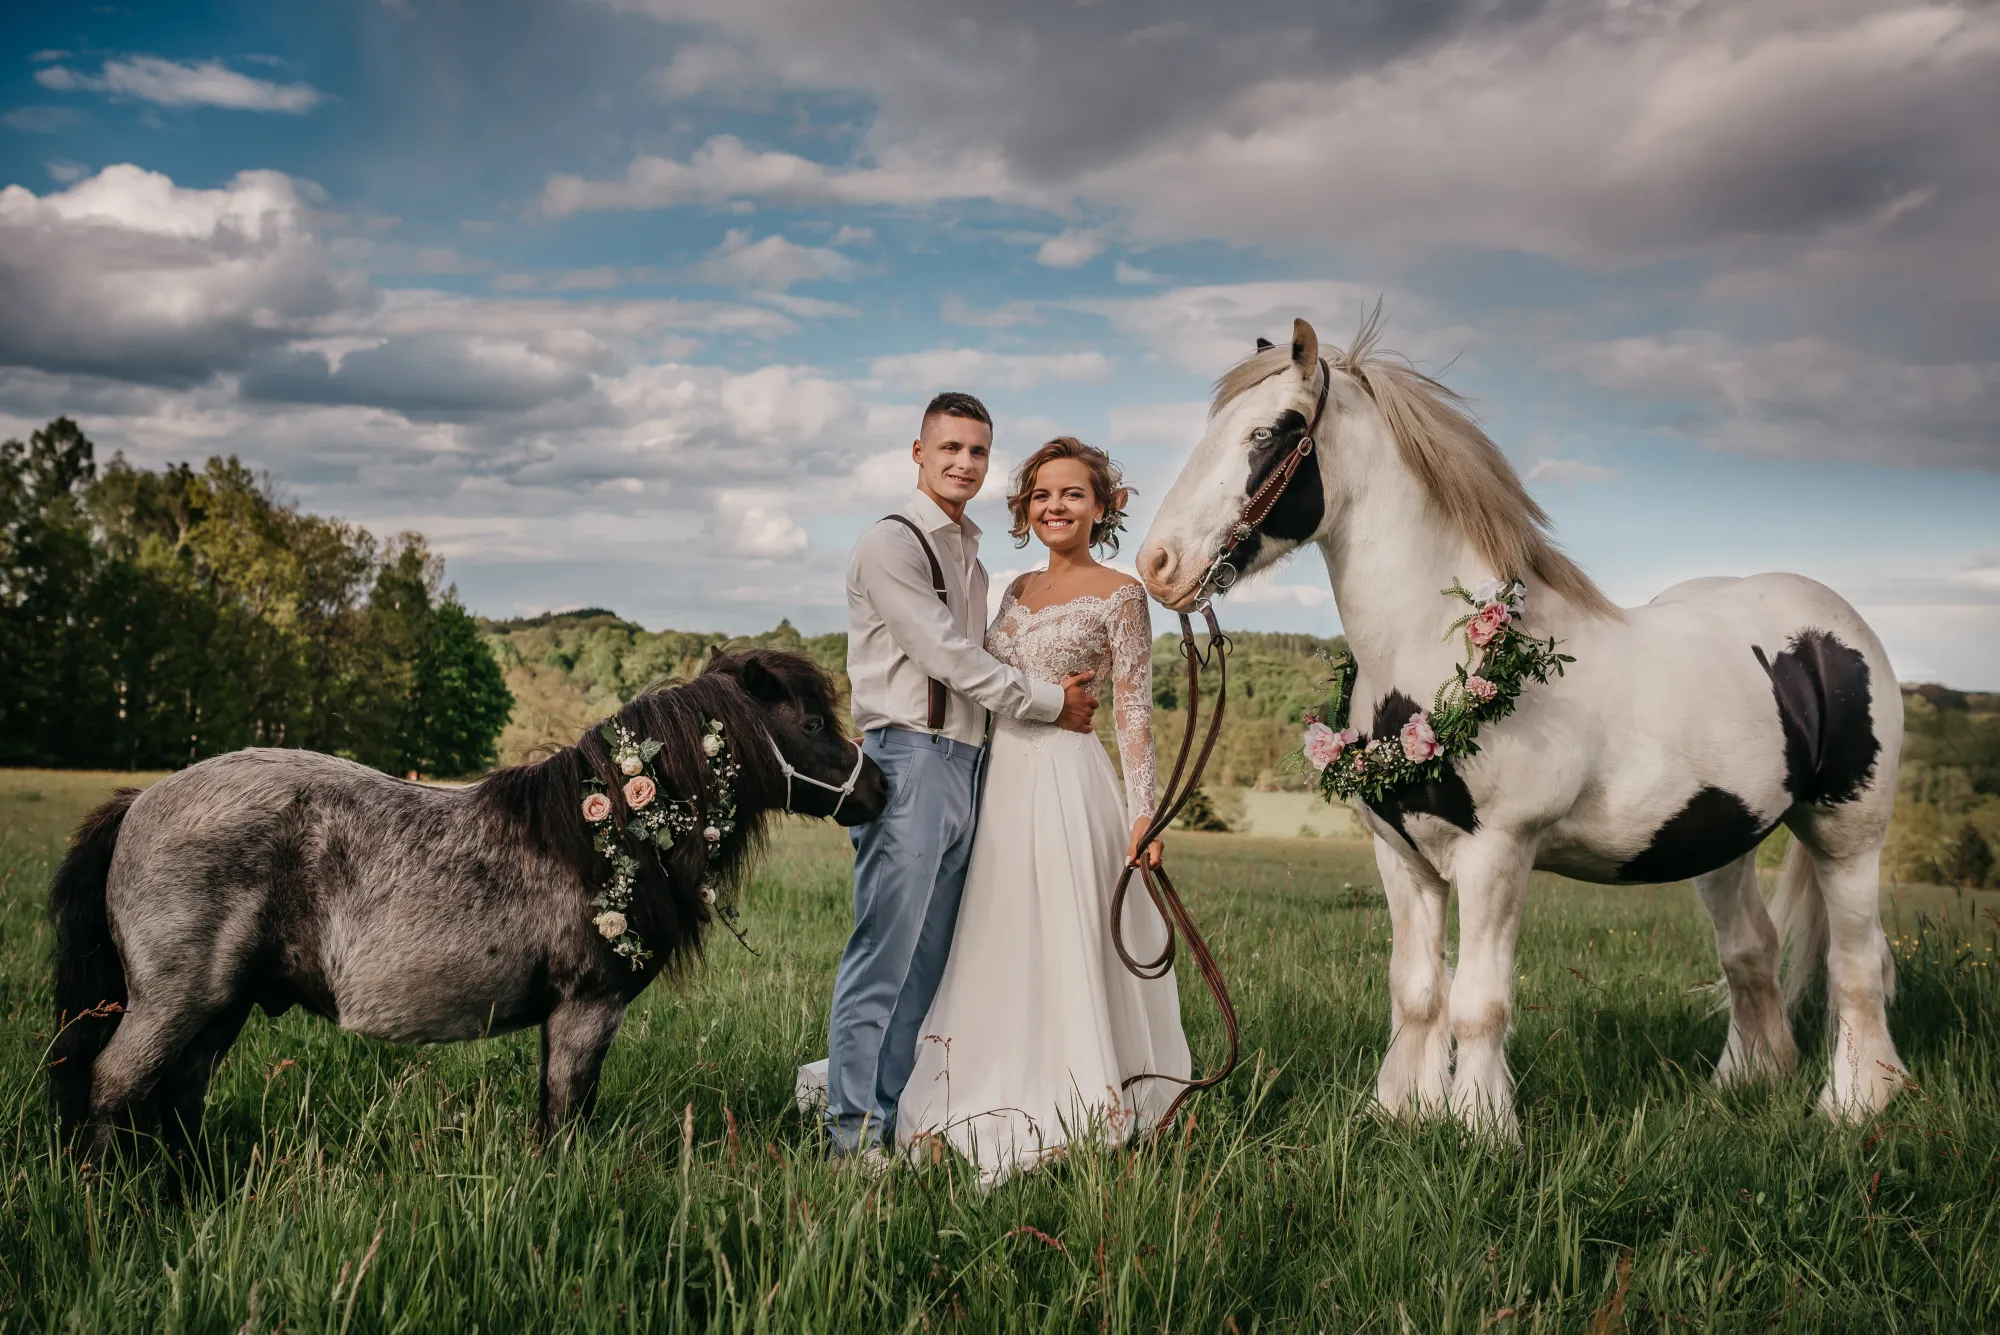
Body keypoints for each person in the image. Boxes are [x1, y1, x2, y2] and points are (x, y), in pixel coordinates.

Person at [896, 436, 1190, 1185]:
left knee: (1067, 927)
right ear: (1026, 507)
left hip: (1067, 779)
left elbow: (1132, 709)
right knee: (994, 927)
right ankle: (978, 1073)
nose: (1055, 506)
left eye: (1072, 494)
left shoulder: (1122, 594)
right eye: (1042, 494)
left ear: (1102, 507)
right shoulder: (1015, 589)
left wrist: (1145, 813)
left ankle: (1082, 1088)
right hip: (999, 779)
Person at [823, 392, 1100, 1164]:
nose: (964, 463)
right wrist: (1050, 703)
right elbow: (947, 655)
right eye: (949, 447)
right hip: (908, 760)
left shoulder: (971, 557)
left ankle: (890, 1120)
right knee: (884, 956)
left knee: (927, 965)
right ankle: (849, 1138)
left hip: (969, 765)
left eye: (977, 450)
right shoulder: (892, 543)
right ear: (919, 452)